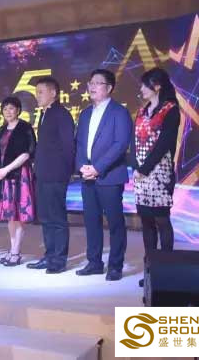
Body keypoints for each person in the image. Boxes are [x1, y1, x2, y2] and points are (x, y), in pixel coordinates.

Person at [75, 69, 132, 281]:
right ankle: (94, 262)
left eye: (98, 83)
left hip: (110, 176)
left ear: (109, 88)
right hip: (87, 176)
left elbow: (120, 144)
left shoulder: (120, 112)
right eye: (91, 82)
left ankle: (115, 265)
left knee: (115, 223)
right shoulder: (85, 114)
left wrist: (97, 168)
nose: (92, 86)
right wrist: (82, 167)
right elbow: (79, 144)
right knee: (92, 221)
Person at [130, 68, 180, 287]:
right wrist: (135, 165)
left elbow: (165, 143)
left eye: (145, 85)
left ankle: (167, 272)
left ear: (157, 86)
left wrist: (146, 168)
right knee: (146, 221)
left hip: (159, 172)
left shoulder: (171, 110)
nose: (141, 89)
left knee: (161, 220)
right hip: (141, 173)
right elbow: (133, 141)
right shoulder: (142, 111)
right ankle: (151, 270)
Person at [27, 78, 75, 274]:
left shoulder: (61, 114)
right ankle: (49, 255)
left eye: (40, 92)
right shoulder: (44, 114)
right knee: (46, 217)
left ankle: (59, 260)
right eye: (36, 92)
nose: (37, 95)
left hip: (56, 175)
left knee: (57, 218)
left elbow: (68, 146)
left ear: (53, 93)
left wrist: (66, 172)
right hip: (43, 174)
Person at [0, 96, 36, 267]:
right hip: (4, 177)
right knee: (10, 217)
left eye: (11, 108)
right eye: (5, 109)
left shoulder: (25, 127)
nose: (8, 112)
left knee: (18, 216)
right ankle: (12, 250)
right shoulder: (1, 129)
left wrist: (6, 169)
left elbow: (27, 153)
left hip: (19, 175)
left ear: (18, 110)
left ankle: (16, 253)